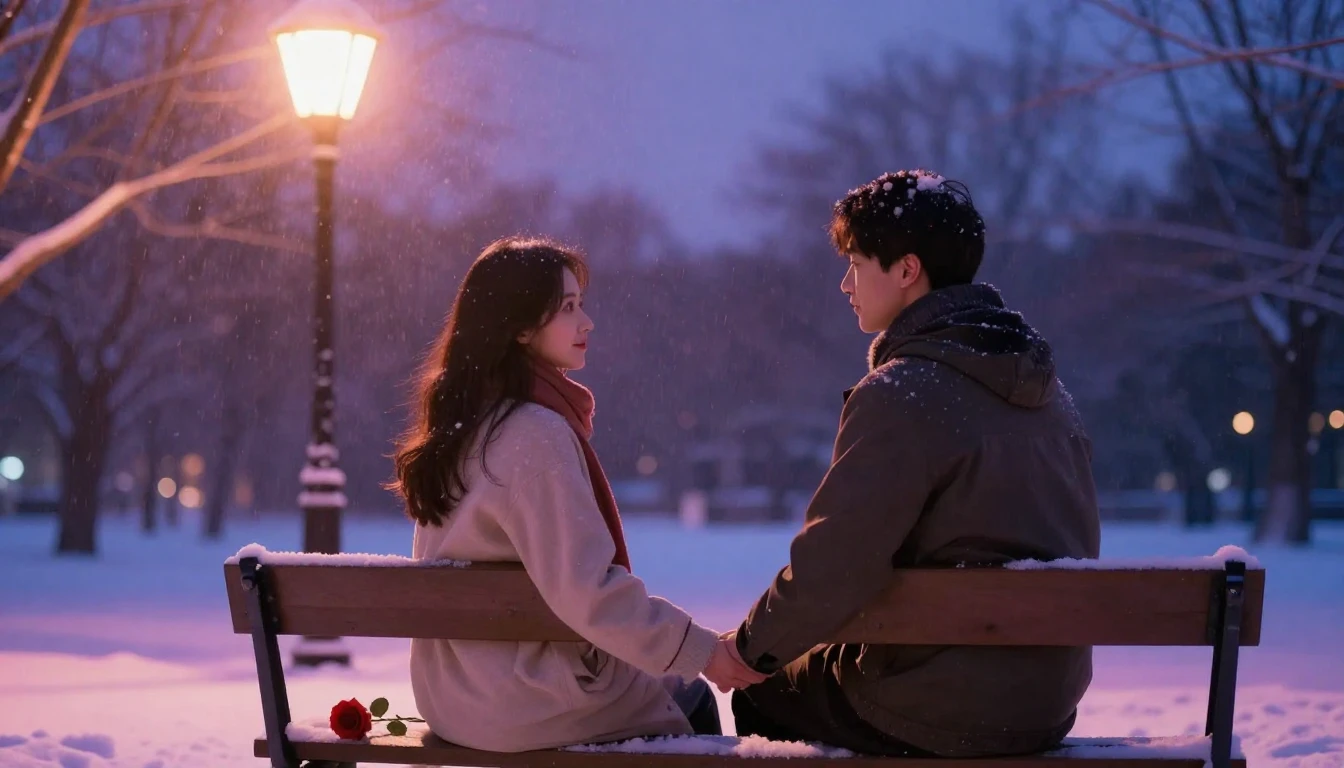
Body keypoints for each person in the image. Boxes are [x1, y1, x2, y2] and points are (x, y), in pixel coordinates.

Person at [726, 170, 1102, 758]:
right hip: (1048, 701)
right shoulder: (1051, 395)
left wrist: (748, 651)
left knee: (763, 693)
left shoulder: (903, 393)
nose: (845, 284)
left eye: (856, 264)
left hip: (937, 702)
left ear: (906, 270)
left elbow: (835, 564)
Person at [390, 237, 763, 752]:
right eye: (567, 308)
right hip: (524, 701)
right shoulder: (532, 433)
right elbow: (587, 589)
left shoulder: (462, 425)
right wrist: (701, 651)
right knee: (691, 697)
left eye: (580, 304)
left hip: (453, 694)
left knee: (666, 686)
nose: (587, 323)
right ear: (521, 328)